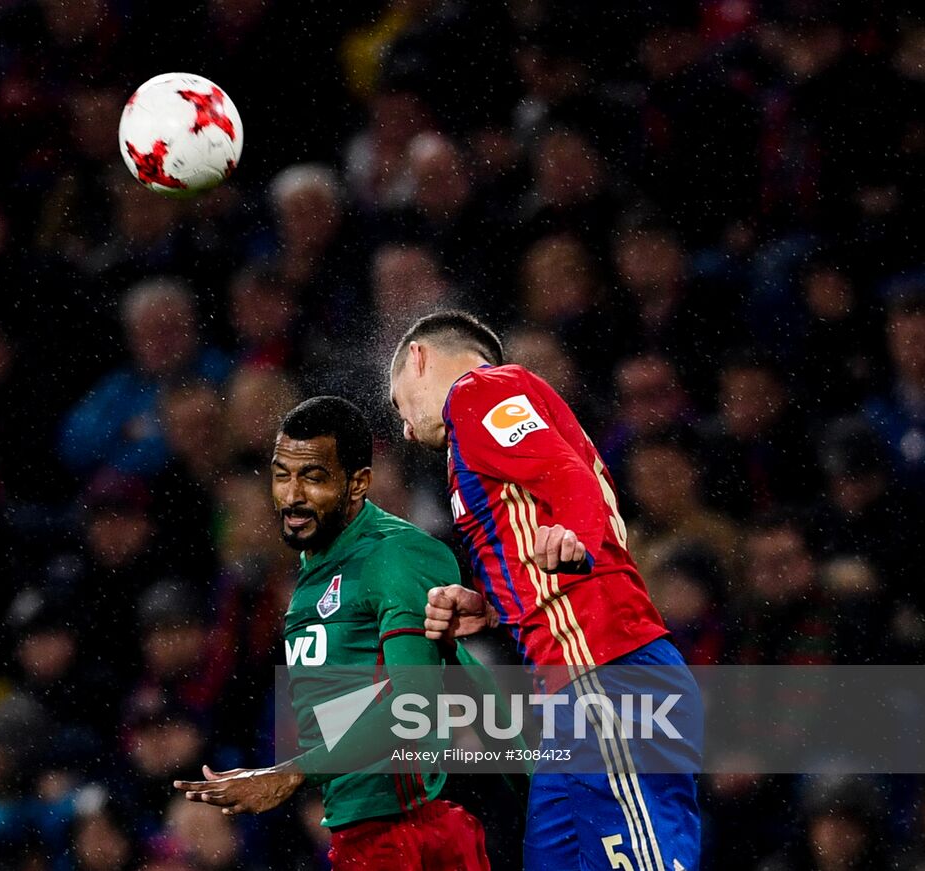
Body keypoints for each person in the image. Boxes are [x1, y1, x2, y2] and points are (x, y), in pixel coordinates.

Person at [388, 311, 701, 871]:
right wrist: (491, 607)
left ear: (418, 358)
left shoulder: (480, 390)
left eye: (398, 404)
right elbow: (546, 514)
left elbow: (566, 476)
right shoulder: (485, 424)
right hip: (571, 689)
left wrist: (575, 535)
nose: (407, 429)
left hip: (607, 672)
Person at [173, 396, 493, 870]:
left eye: (313, 477)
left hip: (404, 832)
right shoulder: (311, 573)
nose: (292, 495)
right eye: (282, 475)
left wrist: (290, 774)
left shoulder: (393, 556)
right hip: (360, 835)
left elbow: (417, 707)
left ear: (359, 482)